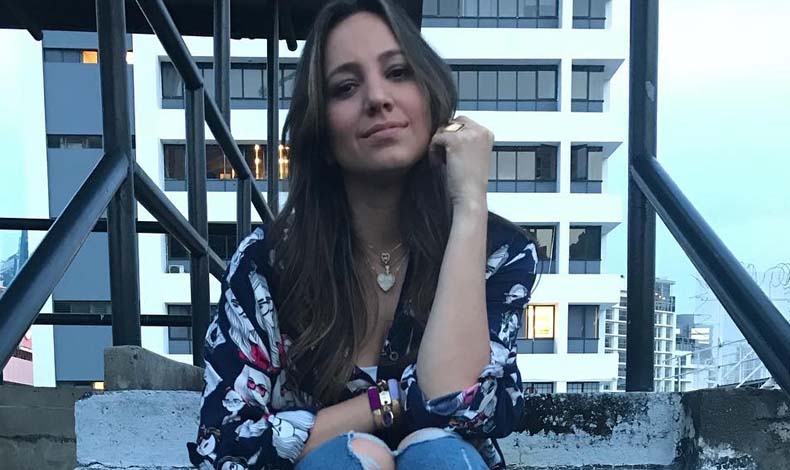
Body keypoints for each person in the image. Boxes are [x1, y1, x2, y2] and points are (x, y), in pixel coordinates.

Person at [187, 0, 538, 469]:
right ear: (322, 132)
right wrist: (383, 404)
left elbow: (455, 399)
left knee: (438, 453)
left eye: (397, 72)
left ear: (430, 94)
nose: (377, 98)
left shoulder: (498, 253)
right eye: (346, 87)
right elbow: (225, 445)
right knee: (350, 458)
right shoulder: (268, 263)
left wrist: (470, 206)